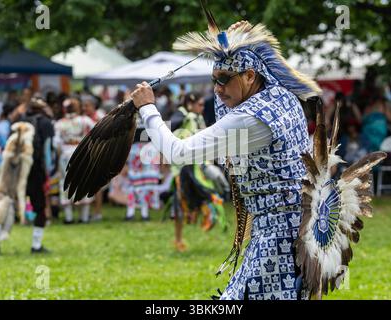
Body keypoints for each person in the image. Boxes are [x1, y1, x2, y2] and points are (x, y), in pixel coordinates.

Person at [130, 20, 321, 300]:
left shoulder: (249, 119)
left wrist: (147, 108)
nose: (217, 89)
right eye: (214, 79)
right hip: (294, 224)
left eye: (224, 79)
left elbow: (177, 153)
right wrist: (238, 37)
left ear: (250, 76)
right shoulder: (280, 95)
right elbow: (231, 99)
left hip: (280, 234)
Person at [168, 92, 227, 252]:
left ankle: (207, 214)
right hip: (183, 169)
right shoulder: (182, 117)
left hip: (198, 166)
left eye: (202, 105)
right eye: (199, 105)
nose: (202, 108)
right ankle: (178, 239)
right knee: (180, 202)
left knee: (212, 190)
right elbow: (171, 137)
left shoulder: (197, 118)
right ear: (190, 104)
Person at [19, 97, 55, 253]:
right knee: (40, 207)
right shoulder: (46, 123)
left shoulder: (22, 122)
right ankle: (36, 245)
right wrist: (48, 170)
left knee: (6, 204)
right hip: (36, 170)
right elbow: (47, 150)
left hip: (19, 168)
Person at [54, 97, 95, 224]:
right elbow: (95, 136)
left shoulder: (59, 124)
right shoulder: (86, 121)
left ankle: (69, 217)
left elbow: (57, 143)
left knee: (66, 182)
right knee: (84, 180)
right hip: (82, 154)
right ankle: (84, 217)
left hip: (66, 155)